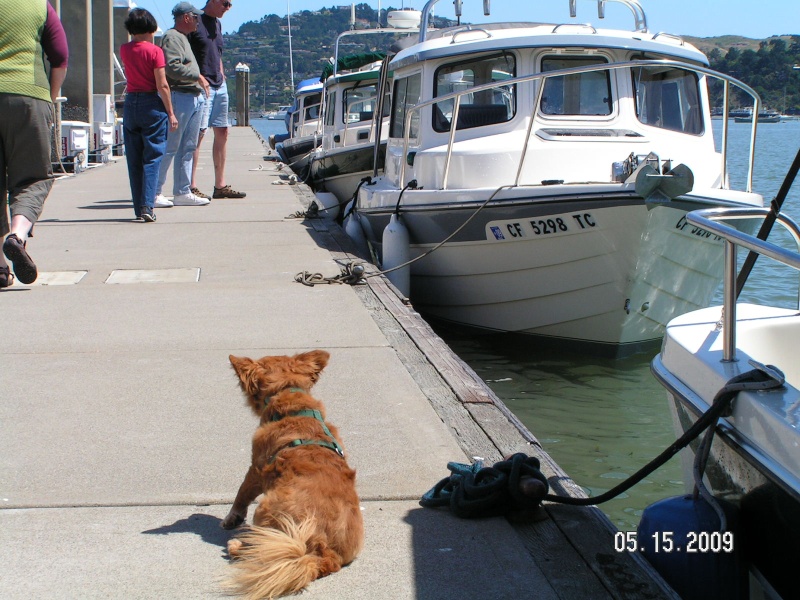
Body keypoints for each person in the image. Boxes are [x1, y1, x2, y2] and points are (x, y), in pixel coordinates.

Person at [0, 0, 68, 287]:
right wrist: (49, 98)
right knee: (34, 179)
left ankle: (1, 269)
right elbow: (61, 56)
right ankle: (17, 235)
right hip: (28, 98)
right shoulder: (39, 6)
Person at [120, 8, 179, 223]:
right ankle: (148, 205)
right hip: (151, 104)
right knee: (153, 156)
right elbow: (162, 84)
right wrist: (171, 112)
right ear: (150, 28)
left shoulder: (125, 49)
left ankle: (138, 207)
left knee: (134, 159)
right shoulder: (155, 51)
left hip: (131, 103)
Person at [153, 2, 211, 208]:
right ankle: (155, 191)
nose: (198, 22)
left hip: (192, 96)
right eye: (195, 18)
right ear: (186, 17)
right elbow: (172, 67)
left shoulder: (183, 38)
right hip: (181, 96)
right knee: (171, 146)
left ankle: (182, 191)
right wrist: (197, 75)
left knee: (188, 147)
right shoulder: (172, 37)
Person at [188, 0, 246, 199]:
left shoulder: (218, 24)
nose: (227, 8)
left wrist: (221, 74)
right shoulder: (195, 19)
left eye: (230, 5)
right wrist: (197, 76)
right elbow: (183, 53)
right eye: (225, 3)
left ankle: (220, 185)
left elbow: (217, 53)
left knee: (222, 131)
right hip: (202, 85)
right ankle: (191, 185)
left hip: (219, 84)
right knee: (199, 133)